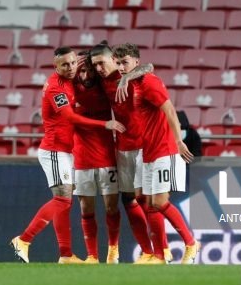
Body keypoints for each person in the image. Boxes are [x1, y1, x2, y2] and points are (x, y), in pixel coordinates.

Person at [9, 46, 125, 264]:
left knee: (65, 201)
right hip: (55, 150)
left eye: (73, 63)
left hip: (66, 151)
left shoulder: (71, 79)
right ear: (55, 66)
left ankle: (66, 254)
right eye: (65, 65)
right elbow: (70, 117)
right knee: (63, 199)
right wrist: (105, 123)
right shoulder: (56, 88)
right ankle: (24, 240)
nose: (71, 68)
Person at [102, 43, 200, 265]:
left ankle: (191, 243)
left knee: (159, 202)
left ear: (136, 62)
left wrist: (178, 141)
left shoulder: (149, 82)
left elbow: (170, 110)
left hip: (164, 150)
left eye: (124, 62)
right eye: (117, 63)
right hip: (147, 152)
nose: (120, 67)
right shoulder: (131, 83)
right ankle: (159, 254)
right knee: (143, 200)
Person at [92, 44, 156, 264]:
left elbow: (149, 65)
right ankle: (148, 252)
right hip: (123, 146)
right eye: (96, 65)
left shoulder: (132, 74)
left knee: (150, 199)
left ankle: (162, 250)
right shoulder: (100, 80)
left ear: (114, 59)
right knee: (129, 199)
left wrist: (128, 78)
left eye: (103, 62)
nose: (100, 68)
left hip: (144, 145)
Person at [72, 58, 121, 264]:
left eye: (90, 70)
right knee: (86, 209)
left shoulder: (104, 87)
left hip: (106, 157)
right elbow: (57, 74)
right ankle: (92, 255)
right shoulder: (70, 88)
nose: (86, 75)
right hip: (82, 158)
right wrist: (74, 66)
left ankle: (113, 249)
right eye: (81, 71)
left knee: (111, 207)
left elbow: (131, 71)